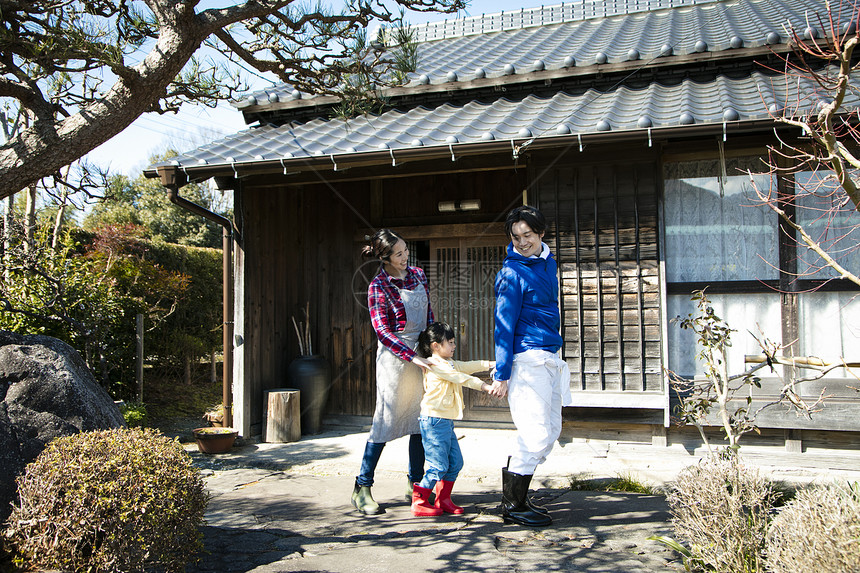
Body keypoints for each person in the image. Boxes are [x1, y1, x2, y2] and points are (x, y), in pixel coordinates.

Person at [488, 205, 573, 527]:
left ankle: (518, 497)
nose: (522, 242)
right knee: (536, 432)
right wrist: (502, 372)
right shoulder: (512, 273)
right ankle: (512, 505)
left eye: (528, 235)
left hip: (550, 357)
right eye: (516, 237)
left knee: (551, 431)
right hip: (527, 359)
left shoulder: (547, 263)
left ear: (541, 233)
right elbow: (503, 325)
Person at [351, 229, 436, 515]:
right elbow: (383, 332)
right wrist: (411, 355)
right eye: (399, 253)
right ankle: (362, 487)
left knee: (419, 422)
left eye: (405, 251)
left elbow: (428, 314)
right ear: (385, 258)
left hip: (422, 355)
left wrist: (433, 346)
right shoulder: (378, 286)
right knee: (384, 423)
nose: (405, 256)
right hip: (395, 360)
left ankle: (415, 485)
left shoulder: (418, 275)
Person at [411, 322, 495, 517]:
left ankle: (443, 499)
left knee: (455, 463)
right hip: (433, 421)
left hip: (445, 422)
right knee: (438, 466)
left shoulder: (449, 362)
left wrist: (492, 364)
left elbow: (467, 367)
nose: (454, 346)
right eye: (450, 342)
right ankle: (419, 500)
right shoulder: (434, 365)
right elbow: (460, 377)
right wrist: (485, 387)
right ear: (436, 346)